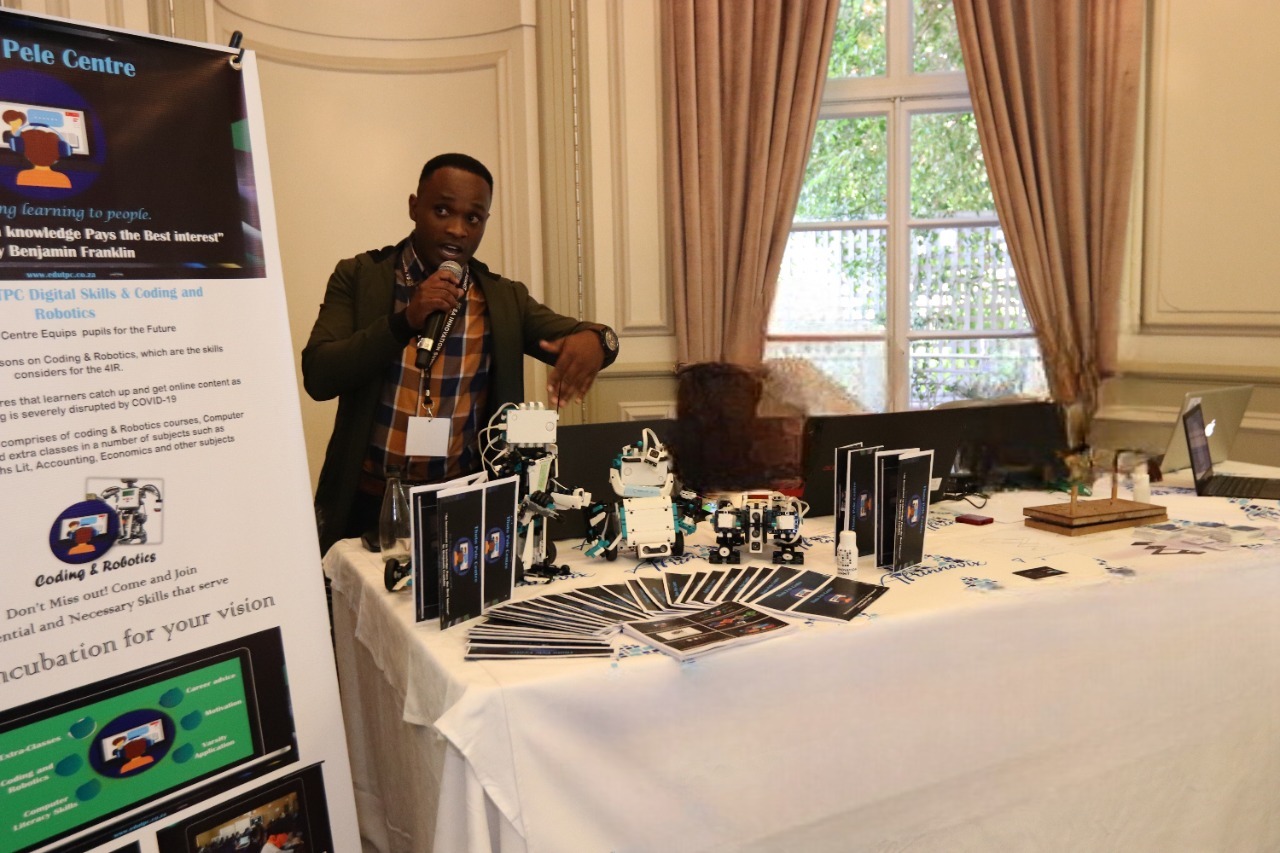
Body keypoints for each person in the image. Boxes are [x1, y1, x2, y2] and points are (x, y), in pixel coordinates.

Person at [303, 153, 619, 553]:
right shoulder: (360, 276)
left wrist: (599, 341)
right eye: (441, 210)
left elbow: (587, 337)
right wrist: (405, 320)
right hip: (369, 501)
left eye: (473, 218)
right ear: (414, 207)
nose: (457, 229)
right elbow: (319, 375)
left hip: (464, 504)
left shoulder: (503, 299)